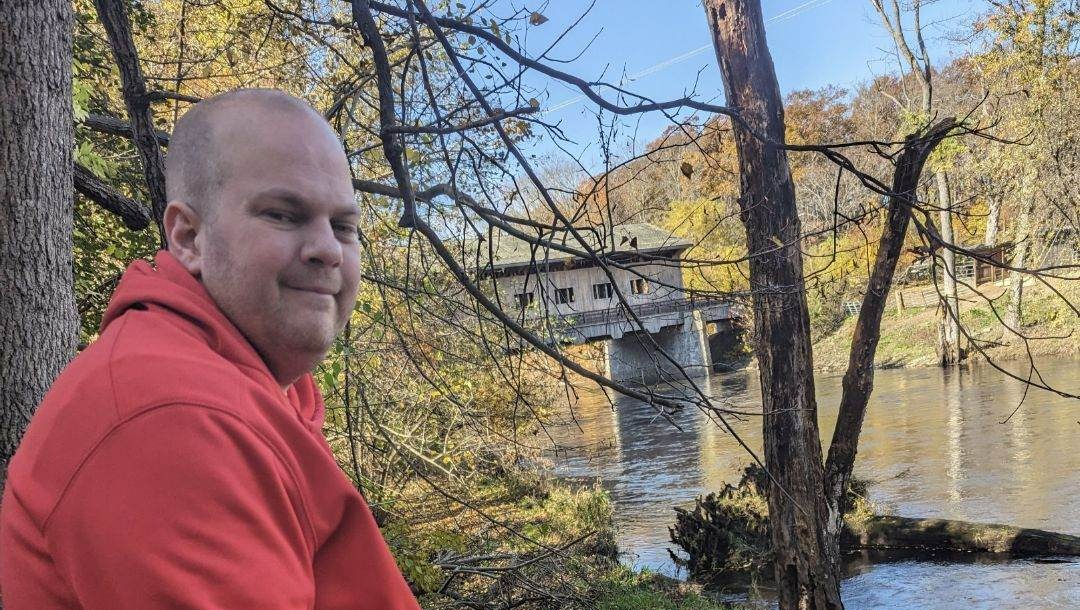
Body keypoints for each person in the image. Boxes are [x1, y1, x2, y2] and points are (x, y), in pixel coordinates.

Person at [0, 89, 421, 609]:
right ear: (188, 238)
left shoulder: (250, 385)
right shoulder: (169, 414)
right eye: (283, 215)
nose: (328, 250)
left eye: (343, 226)